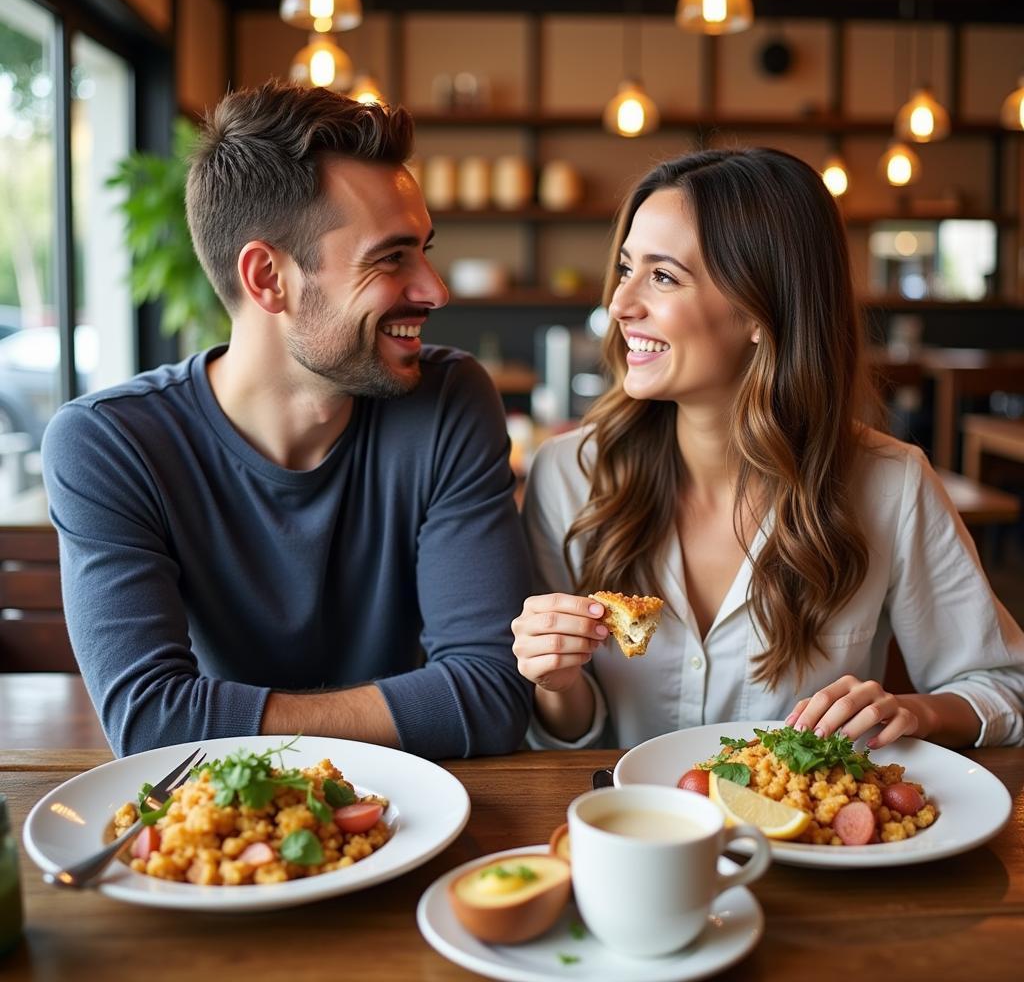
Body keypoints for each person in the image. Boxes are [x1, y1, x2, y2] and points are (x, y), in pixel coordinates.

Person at [42, 82, 533, 759]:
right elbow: (151, 722)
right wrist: (417, 707)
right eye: (391, 257)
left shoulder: (447, 401)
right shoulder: (112, 443)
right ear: (268, 278)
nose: (433, 289)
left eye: (425, 249)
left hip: (414, 815)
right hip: (219, 836)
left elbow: (490, 697)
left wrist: (219, 718)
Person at [513, 147, 1024, 752]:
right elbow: (563, 739)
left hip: (803, 842)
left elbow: (1004, 685)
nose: (620, 304)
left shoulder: (891, 484)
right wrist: (558, 683)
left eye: (664, 276)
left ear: (761, 309)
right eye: (626, 269)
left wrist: (914, 712)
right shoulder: (568, 475)